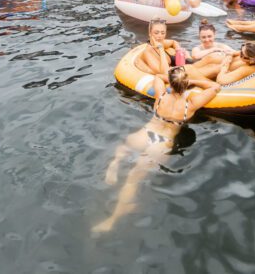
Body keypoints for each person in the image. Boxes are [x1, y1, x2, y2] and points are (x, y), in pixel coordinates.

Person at [93, 65, 220, 233]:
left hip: (145, 133)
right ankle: (112, 219)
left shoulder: (161, 96)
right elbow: (215, 87)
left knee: (124, 147)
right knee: (134, 177)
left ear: (172, 83)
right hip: (162, 142)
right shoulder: (191, 104)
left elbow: (158, 77)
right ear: (185, 84)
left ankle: (115, 164)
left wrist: (173, 79)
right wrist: (192, 81)